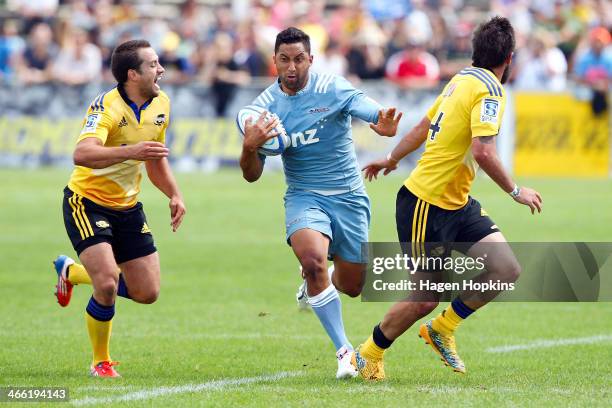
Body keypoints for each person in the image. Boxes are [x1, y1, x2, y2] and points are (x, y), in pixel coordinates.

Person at [352, 16, 542, 380]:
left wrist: (392, 158)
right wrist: (517, 192)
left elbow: (425, 125)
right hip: (426, 203)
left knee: (505, 269)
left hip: (456, 202)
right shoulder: (489, 90)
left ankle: (444, 327)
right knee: (425, 297)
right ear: (510, 58)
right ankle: (368, 352)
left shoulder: (462, 79)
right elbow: (483, 152)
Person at [239, 27, 401, 379]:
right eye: (285, 59)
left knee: (354, 285)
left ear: (310, 59)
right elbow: (251, 175)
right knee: (311, 260)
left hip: (348, 197)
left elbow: (367, 107)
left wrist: (381, 121)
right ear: (275, 62)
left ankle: (320, 280)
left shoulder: (332, 87)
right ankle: (345, 352)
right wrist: (249, 146)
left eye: (299, 59)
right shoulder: (264, 108)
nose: (292, 66)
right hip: (304, 196)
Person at [52, 39, 186, 378]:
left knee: (147, 292)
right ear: (132, 74)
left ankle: (70, 272)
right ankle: (100, 362)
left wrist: (174, 194)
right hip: (87, 203)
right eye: (154, 64)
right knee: (109, 283)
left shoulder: (161, 104)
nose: (161, 70)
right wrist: (132, 151)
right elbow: (82, 154)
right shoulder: (106, 107)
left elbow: (153, 159)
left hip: (127, 207)